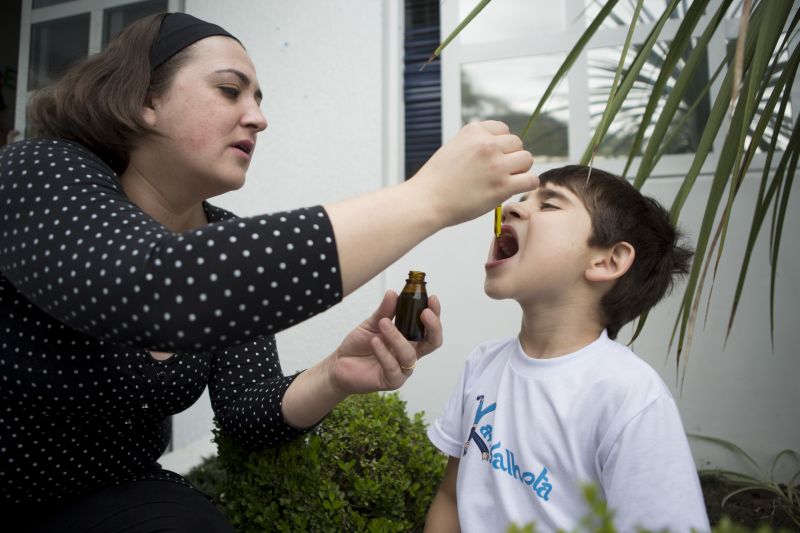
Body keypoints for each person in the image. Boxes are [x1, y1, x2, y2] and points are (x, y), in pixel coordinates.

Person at [0, 12, 537, 532]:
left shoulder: (222, 238)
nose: (258, 118)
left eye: (258, 100)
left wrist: (335, 374)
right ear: (145, 100)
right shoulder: (38, 172)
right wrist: (428, 198)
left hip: (112, 493)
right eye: (229, 90)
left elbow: (245, 414)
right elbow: (158, 287)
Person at [424, 165, 711, 532]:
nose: (511, 208)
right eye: (523, 197)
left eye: (549, 205)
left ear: (607, 260)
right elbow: (451, 497)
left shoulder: (629, 396)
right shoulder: (482, 364)